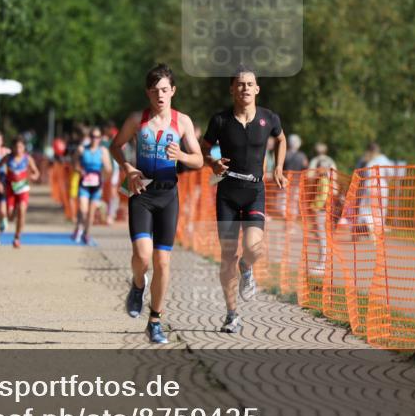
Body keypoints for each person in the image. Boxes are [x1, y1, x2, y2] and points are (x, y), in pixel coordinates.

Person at [110, 63, 203, 344]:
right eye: (154, 91)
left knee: (162, 261)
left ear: (173, 91)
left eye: (165, 90)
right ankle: (138, 286)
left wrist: (182, 156)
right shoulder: (137, 119)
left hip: (167, 195)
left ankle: (155, 320)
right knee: (142, 256)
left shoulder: (182, 122)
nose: (160, 95)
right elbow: (115, 146)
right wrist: (128, 168)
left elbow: (199, 160)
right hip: (141, 193)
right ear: (148, 93)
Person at [201, 66, 287, 334]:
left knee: (254, 248)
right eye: (240, 84)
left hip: (254, 190)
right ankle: (231, 315)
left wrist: (278, 168)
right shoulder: (220, 121)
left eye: (250, 84)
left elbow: (281, 139)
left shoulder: (268, 118)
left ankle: (247, 267)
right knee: (227, 255)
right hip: (227, 191)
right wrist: (212, 162)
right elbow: (201, 150)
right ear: (232, 89)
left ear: (257, 89)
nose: (245, 88)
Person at [73, 126, 112, 244]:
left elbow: (109, 169)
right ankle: (79, 226)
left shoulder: (103, 151)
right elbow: (74, 164)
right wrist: (80, 170)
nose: (95, 139)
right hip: (84, 184)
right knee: (83, 210)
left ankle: (86, 233)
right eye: (93, 137)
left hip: (96, 185)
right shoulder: (81, 149)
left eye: (98, 137)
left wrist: (105, 172)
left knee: (91, 213)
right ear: (89, 137)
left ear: (100, 138)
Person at [2, 135, 42, 248]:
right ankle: (12, 212)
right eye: (16, 147)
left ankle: (17, 237)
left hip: (23, 188)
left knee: (22, 211)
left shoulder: (27, 158)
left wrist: (34, 177)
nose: (18, 149)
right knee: (10, 216)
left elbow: (36, 173)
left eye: (21, 147)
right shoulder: (8, 158)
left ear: (24, 147)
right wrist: (1, 180)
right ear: (13, 147)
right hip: (10, 189)